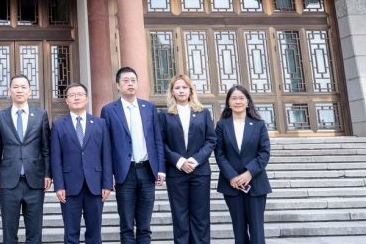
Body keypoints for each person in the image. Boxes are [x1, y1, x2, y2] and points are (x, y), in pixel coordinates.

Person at [100, 66, 165, 244]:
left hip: (147, 171)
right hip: (124, 173)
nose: (130, 84)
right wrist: (109, 175)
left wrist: (160, 169)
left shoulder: (149, 108)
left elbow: (157, 140)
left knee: (145, 226)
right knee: (127, 226)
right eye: (126, 81)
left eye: (133, 81)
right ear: (118, 85)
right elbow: (106, 146)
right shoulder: (109, 110)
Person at [0, 74, 51, 244]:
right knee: (9, 232)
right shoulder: (0, 117)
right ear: (9, 90)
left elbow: (46, 148)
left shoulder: (40, 115)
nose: (19, 90)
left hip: (35, 180)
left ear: (29, 91)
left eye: (23, 87)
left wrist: (48, 174)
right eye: (16, 87)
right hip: (8, 181)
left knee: (34, 232)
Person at [50, 83, 113, 244]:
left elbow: (106, 155)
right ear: (66, 101)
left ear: (87, 98)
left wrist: (107, 184)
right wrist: (59, 186)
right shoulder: (58, 125)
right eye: (72, 95)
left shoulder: (100, 123)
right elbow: (56, 158)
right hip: (69, 186)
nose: (76, 98)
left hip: (95, 185)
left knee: (94, 232)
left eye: (80, 94)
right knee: (71, 232)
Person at [159, 75, 216, 244]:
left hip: (200, 172)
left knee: (201, 217)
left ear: (191, 90)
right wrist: (179, 161)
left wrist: (195, 160)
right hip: (176, 172)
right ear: (172, 92)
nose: (181, 91)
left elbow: (211, 140)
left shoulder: (203, 113)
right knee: (180, 217)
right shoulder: (164, 115)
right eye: (177, 88)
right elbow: (160, 143)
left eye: (184, 87)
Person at [215, 85, 271, 244]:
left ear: (248, 102)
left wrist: (249, 173)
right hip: (231, 185)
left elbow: (264, 152)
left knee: (257, 231)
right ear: (228, 103)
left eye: (241, 98)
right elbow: (219, 153)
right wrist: (232, 176)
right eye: (234, 98)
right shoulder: (222, 125)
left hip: (256, 183)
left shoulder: (259, 124)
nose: (237, 101)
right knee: (239, 231)